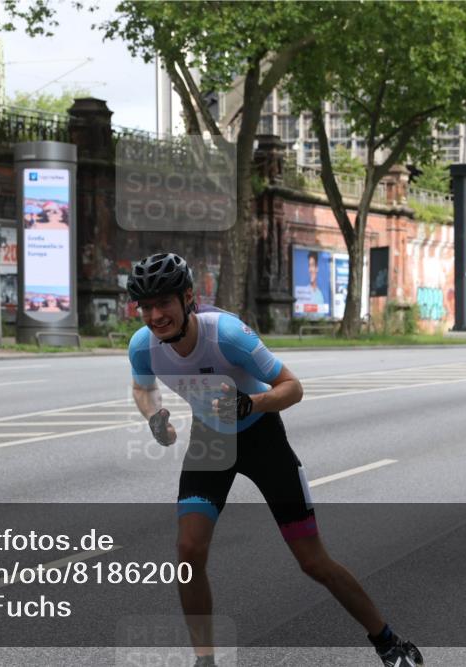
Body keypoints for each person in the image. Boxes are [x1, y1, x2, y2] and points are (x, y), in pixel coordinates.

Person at [126, 252, 424, 667]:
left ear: (188, 297)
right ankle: (205, 660)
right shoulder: (142, 346)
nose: (156, 316)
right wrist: (154, 417)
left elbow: (293, 387)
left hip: (262, 437)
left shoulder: (226, 334)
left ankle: (389, 641)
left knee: (313, 562)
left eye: (164, 304)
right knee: (188, 551)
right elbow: (143, 389)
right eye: (147, 307)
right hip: (211, 442)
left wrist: (254, 403)